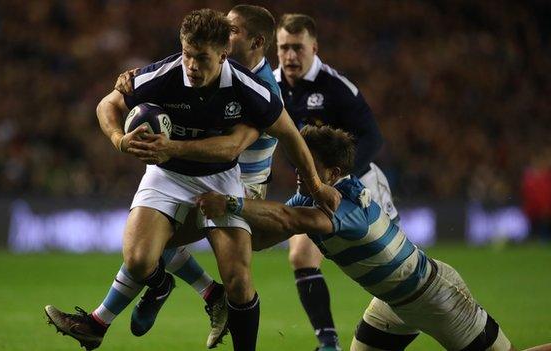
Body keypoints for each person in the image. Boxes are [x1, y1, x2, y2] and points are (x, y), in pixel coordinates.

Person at [45, 9, 340, 351]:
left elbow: (275, 139)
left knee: (239, 280)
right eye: (187, 54)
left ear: (223, 55)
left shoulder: (253, 88)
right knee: (140, 260)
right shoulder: (166, 74)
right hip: (167, 176)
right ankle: (155, 295)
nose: (192, 66)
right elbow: (107, 105)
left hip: (227, 180)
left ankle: (115, 317)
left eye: (202, 58)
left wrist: (316, 186)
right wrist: (118, 139)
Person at [197, 125, 551, 351]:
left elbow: (289, 219)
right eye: (299, 161)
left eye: (308, 164)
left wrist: (231, 203)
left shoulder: (349, 201)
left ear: (333, 173)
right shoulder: (309, 197)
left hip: (435, 296)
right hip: (394, 303)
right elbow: (263, 238)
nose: (299, 170)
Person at [108, 5, 282, 348]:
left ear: (255, 42)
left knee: (169, 251)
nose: (225, 37)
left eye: (231, 31)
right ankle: (127, 308)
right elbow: (133, 93)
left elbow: (232, 148)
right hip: (199, 176)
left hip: (242, 187)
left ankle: (129, 306)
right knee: (146, 248)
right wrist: (136, 82)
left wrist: (317, 184)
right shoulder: (200, 69)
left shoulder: (261, 87)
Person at [273, 13, 397, 350]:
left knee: (391, 269)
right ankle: (328, 343)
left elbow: (372, 138)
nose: (289, 56)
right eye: (283, 47)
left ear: (314, 47)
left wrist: (339, 178)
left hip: (360, 186)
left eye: (297, 47)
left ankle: (423, 311)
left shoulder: (336, 87)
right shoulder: (271, 86)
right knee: (300, 255)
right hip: (314, 190)